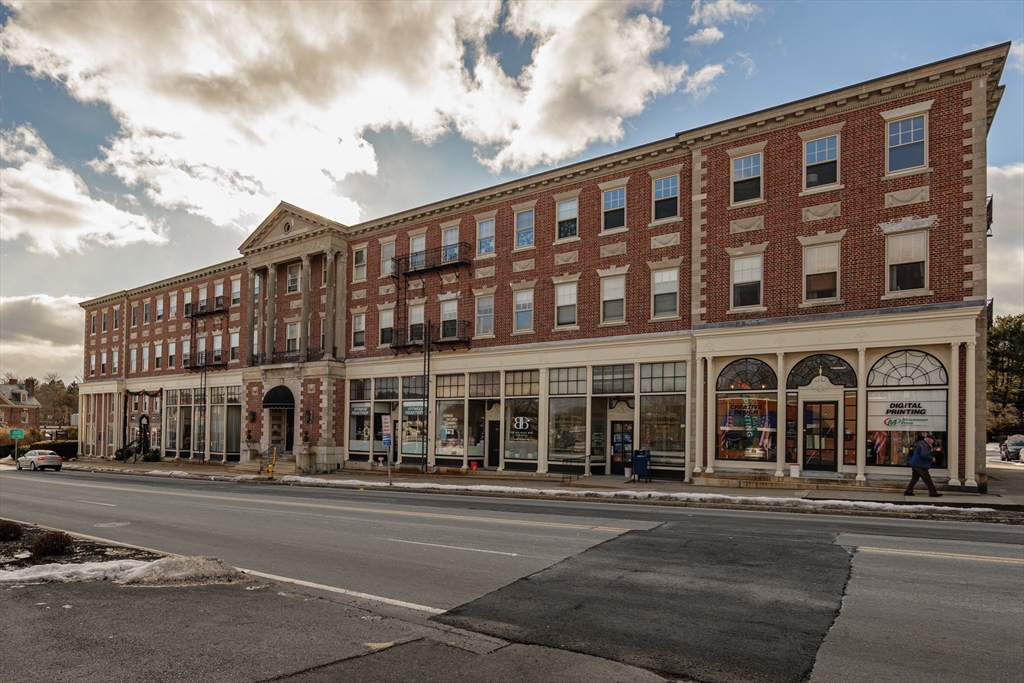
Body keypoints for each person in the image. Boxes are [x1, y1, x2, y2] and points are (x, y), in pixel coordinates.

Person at [904, 432, 942, 497]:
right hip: (920, 465)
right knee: (927, 479)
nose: (933, 441)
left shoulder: (920, 443)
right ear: (929, 439)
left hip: (915, 464)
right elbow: (924, 455)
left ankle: (908, 491)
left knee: (914, 479)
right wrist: (931, 458)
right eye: (933, 440)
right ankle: (933, 493)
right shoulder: (925, 445)